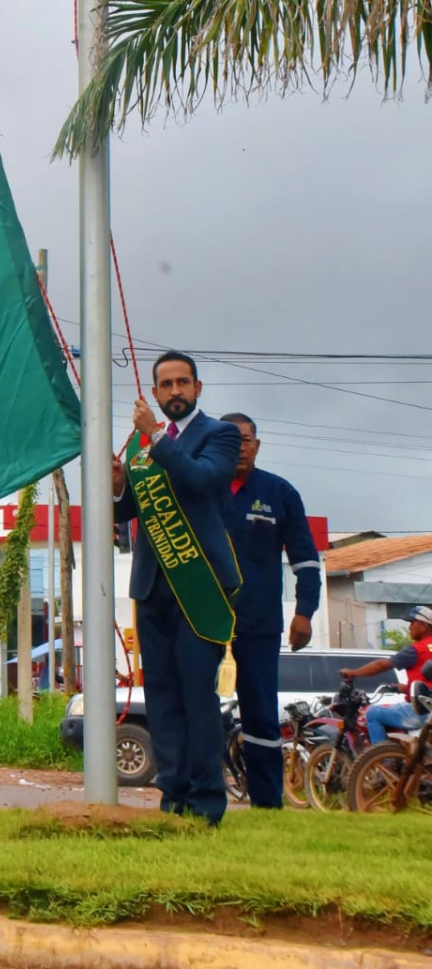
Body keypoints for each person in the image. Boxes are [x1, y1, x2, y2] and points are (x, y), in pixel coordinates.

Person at [113, 350, 241, 824]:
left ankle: (207, 803)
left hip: (200, 585)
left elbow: (202, 480)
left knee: (197, 697)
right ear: (154, 392)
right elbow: (126, 515)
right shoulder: (142, 447)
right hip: (152, 586)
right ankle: (173, 799)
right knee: (163, 698)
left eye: (181, 383)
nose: (174, 392)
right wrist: (116, 486)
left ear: (197, 388)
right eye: (164, 385)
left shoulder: (219, 435)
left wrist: (154, 436)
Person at [220, 412, 321, 808]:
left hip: (258, 624)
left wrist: (305, 612)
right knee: (197, 709)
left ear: (257, 445)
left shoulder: (279, 493)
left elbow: (305, 558)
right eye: (231, 440)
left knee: (261, 714)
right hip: (202, 623)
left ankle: (266, 802)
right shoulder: (202, 489)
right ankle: (200, 796)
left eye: (246, 439)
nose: (240, 447)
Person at [340, 606, 432, 746]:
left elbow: (382, 665)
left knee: (373, 713)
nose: (409, 627)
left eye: (413, 622)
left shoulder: (416, 650)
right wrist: (404, 688)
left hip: (421, 711)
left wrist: (354, 673)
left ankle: (382, 761)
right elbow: (426, 681)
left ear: (424, 625)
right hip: (427, 706)